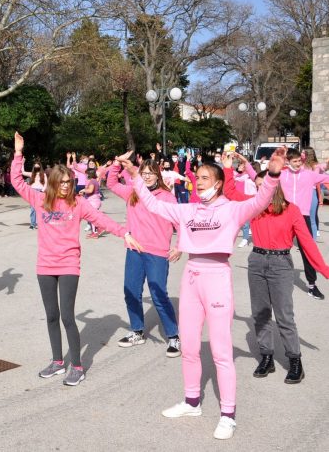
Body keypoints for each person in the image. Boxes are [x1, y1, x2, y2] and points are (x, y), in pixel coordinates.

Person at [118, 147, 286, 440]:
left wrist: (272, 174)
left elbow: (260, 201)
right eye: (197, 177)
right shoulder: (188, 209)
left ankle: (228, 414)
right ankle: (192, 401)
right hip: (192, 277)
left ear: (219, 182)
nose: (199, 181)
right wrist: (135, 177)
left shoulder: (233, 208)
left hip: (217, 276)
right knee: (191, 347)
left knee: (221, 351)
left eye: (205, 177)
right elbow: (152, 204)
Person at [13, 133, 142, 386]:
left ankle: (78, 365)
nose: (65, 186)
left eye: (68, 182)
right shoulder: (40, 201)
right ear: (52, 183)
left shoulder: (78, 203)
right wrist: (18, 153)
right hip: (45, 265)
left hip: (69, 264)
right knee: (51, 315)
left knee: (67, 317)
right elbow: (17, 182)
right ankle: (57, 362)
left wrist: (123, 232)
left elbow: (101, 220)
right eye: (60, 182)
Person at [222, 154, 329, 385]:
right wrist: (227, 168)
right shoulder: (254, 207)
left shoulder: (292, 211)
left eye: (265, 187)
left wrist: (326, 271)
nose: (260, 192)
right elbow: (230, 193)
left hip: (281, 264)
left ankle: (295, 361)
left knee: (284, 315)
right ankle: (267, 357)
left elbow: (308, 246)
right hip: (257, 261)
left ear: (276, 185)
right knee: (260, 313)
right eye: (258, 187)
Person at [106, 156, 181, 357]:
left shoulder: (166, 197)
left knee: (158, 295)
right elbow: (111, 183)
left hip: (157, 252)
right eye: (143, 173)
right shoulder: (133, 192)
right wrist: (116, 163)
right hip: (135, 250)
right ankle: (137, 331)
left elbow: (180, 222)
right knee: (131, 291)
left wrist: (179, 245)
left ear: (158, 174)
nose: (147, 177)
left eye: (150, 172)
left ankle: (173, 336)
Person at [280, 148, 329, 299]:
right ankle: (277, 281)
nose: (297, 164)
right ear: (287, 161)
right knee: (280, 250)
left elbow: (326, 177)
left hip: (303, 216)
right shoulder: (282, 174)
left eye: (299, 161)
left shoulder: (308, 175)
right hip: (284, 215)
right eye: (294, 161)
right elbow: (259, 178)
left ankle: (312, 286)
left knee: (307, 251)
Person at [27, 162, 46, 229]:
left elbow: (46, 183)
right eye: (35, 167)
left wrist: (42, 191)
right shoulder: (32, 174)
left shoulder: (43, 174)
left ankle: (39, 223)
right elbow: (22, 172)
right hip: (33, 191)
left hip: (40, 191)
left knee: (40, 208)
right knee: (33, 209)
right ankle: (32, 223)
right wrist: (22, 162)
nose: (36, 168)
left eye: (37, 167)